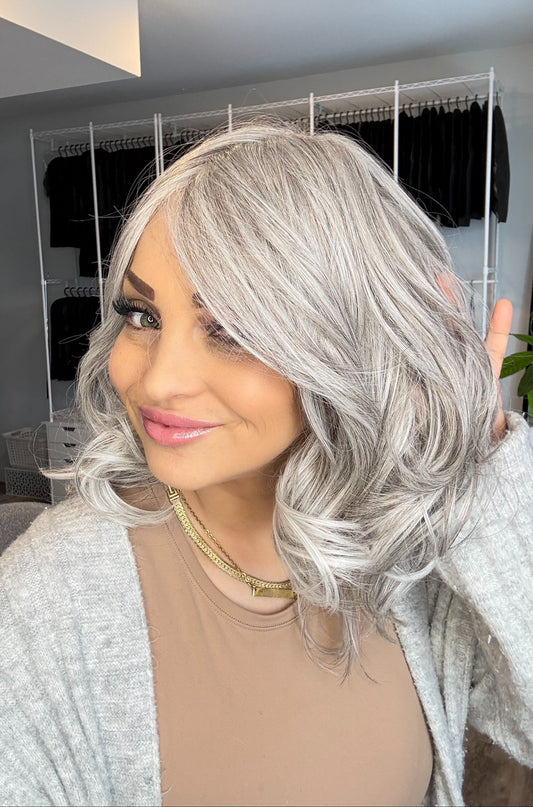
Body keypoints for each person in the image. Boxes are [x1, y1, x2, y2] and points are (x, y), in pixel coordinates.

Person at [1, 122, 532, 807]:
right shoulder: (48, 598)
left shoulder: (405, 545)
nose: (158, 381)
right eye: (142, 315)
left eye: (230, 329)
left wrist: (482, 467)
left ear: (350, 345)